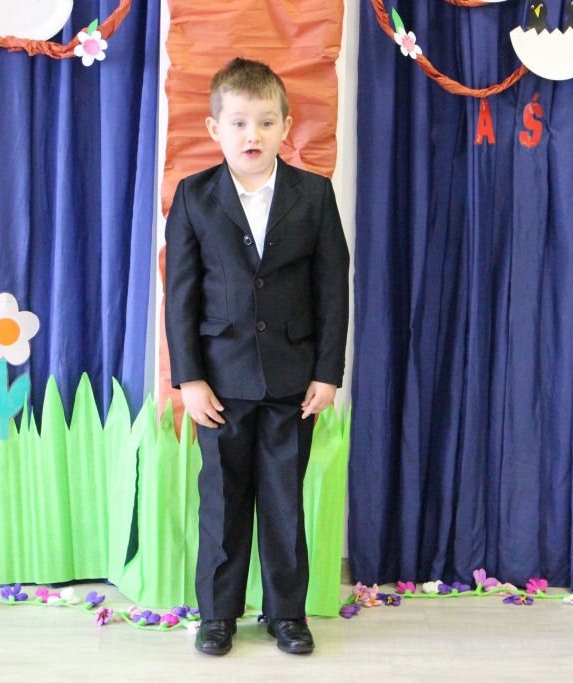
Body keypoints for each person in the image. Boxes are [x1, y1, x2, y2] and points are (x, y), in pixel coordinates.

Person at [164, 57, 349, 656]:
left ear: (285, 127)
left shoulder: (314, 196)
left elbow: (333, 290)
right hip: (220, 383)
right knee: (222, 500)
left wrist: (327, 373)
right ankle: (217, 614)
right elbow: (181, 296)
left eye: (266, 122)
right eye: (239, 122)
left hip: (293, 380)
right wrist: (189, 379)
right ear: (215, 128)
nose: (253, 135)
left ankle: (286, 613)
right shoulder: (193, 197)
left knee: (283, 500)